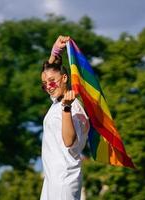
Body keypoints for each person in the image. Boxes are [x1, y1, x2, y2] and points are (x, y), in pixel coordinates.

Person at [40, 36, 90, 200]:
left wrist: (66, 108)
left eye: (52, 82)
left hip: (63, 181)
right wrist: (54, 52)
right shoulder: (58, 101)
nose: (49, 87)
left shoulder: (73, 107)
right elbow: (50, 73)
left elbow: (69, 141)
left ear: (65, 78)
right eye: (44, 84)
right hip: (52, 180)